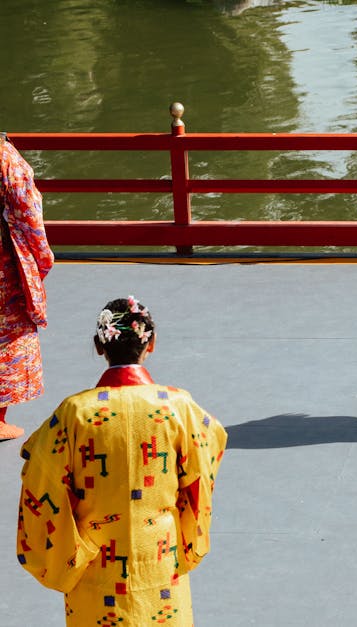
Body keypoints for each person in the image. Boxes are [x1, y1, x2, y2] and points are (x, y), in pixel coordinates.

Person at [17, 296, 226, 626]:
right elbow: (206, 456)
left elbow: (39, 479)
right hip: (160, 558)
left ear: (100, 346)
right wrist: (186, 536)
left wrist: (73, 550)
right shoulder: (179, 407)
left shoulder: (74, 413)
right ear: (151, 343)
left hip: (96, 561)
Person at [0, 133, 54, 441]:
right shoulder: (5, 157)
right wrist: (40, 256)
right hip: (2, 264)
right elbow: (27, 211)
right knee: (6, 334)